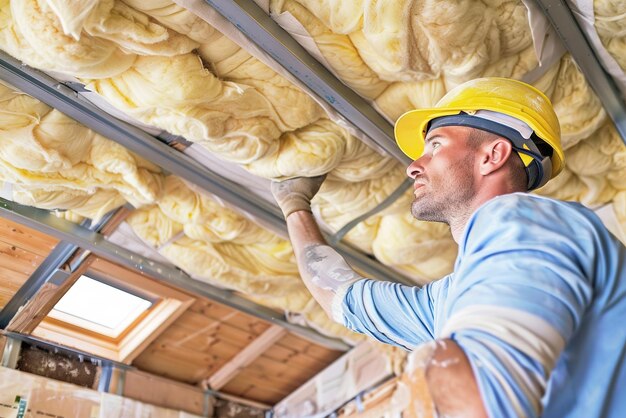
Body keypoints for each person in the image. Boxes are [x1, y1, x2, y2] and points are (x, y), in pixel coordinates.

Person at [271, 77, 626, 417]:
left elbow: (479, 398)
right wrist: (295, 205)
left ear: (493, 155)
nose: (413, 166)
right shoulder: (452, 300)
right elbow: (340, 298)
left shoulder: (524, 221)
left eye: (436, 145)